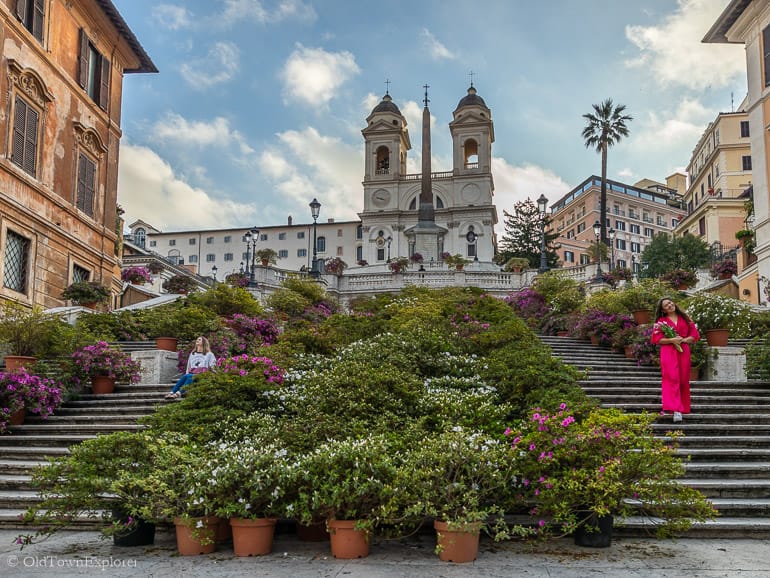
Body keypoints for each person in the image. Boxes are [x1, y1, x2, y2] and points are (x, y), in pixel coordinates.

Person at [651, 297, 700, 422]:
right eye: (666, 305)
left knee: (683, 379)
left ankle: (683, 407)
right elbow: (657, 339)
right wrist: (672, 340)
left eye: (670, 302)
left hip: (683, 350)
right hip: (668, 351)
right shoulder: (661, 322)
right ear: (663, 310)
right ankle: (675, 409)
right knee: (672, 378)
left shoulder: (686, 318)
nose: (670, 305)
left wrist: (683, 340)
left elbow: (694, 335)